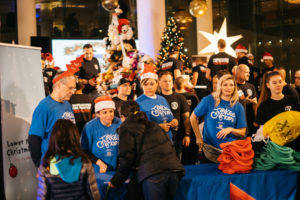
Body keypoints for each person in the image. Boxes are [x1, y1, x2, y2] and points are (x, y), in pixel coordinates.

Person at [109, 100, 185, 200]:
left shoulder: (126, 127)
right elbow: (170, 147)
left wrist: (116, 181)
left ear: (122, 116)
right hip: (173, 171)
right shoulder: (154, 125)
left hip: (154, 174)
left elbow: (127, 158)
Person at [37, 119, 100, 199]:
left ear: (54, 138)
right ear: (75, 137)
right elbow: (93, 194)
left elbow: (43, 195)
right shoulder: (84, 161)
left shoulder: (47, 163)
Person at [28, 71, 76, 167]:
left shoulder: (67, 104)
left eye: (74, 88)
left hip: (68, 163)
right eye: (70, 88)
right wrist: (40, 164)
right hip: (52, 164)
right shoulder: (44, 107)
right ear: (58, 85)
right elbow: (34, 138)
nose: (73, 92)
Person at [190, 74, 247, 153]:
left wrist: (230, 129)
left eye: (231, 85)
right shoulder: (209, 100)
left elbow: (242, 132)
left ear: (234, 87)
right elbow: (193, 117)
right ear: (220, 86)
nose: (228, 88)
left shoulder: (238, 106)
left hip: (229, 150)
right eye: (225, 85)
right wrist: (198, 137)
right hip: (210, 148)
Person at [256, 71, 300, 151]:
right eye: (274, 83)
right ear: (268, 85)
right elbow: (262, 130)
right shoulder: (263, 106)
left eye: (280, 82)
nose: (278, 85)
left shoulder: (292, 100)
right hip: (274, 150)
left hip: (292, 149)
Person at [136, 65, 177, 140]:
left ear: (157, 84)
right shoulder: (138, 102)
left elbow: (170, 117)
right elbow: (137, 127)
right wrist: (158, 127)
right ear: (142, 86)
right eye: (145, 84)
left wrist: (174, 121)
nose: (149, 87)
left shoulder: (162, 99)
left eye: (152, 84)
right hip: (152, 144)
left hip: (168, 142)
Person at [81, 96, 121, 173]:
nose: (109, 115)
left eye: (111, 111)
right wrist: (99, 162)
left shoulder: (119, 123)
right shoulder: (89, 127)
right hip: (97, 170)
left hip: (116, 169)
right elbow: (83, 150)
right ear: (98, 114)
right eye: (104, 112)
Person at [158, 71, 191, 160]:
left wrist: (187, 135)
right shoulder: (156, 99)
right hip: (160, 139)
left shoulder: (180, 98)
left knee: (176, 164)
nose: (168, 83)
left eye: (170, 80)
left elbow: (186, 118)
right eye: (165, 81)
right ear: (159, 82)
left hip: (178, 138)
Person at [174, 76, 200, 164]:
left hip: (176, 132)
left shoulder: (172, 97)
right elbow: (198, 114)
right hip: (191, 131)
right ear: (184, 85)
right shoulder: (193, 97)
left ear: (174, 85)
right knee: (190, 159)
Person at [235, 64, 257, 136]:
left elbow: (255, 104)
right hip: (238, 123)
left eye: (249, 73)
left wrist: (257, 120)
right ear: (238, 72)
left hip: (250, 122)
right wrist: (244, 102)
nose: (248, 74)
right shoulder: (232, 86)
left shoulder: (251, 86)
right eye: (246, 72)